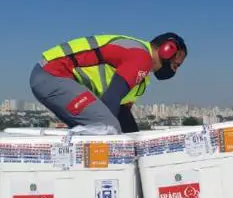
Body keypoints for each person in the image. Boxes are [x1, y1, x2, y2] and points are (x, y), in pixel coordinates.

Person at [29, 33, 187, 133]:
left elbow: (122, 113)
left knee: (110, 128)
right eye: (177, 63)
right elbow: (111, 99)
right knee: (107, 127)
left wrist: (135, 145)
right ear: (168, 49)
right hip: (53, 73)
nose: (176, 68)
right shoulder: (141, 57)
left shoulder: (141, 78)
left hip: (52, 77)